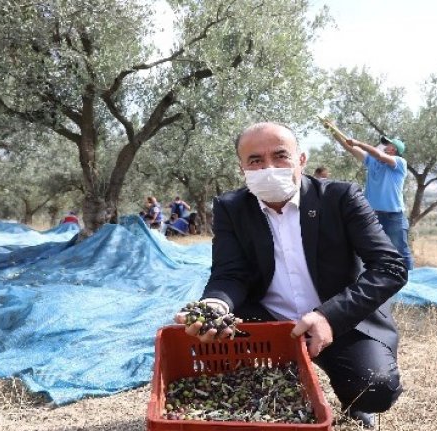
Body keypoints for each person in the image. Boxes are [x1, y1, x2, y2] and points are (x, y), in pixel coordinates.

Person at [173, 122, 408, 429]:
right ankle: (282, 381)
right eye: (255, 160)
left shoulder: (340, 198)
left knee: (374, 388)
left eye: (280, 156)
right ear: (241, 168)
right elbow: (230, 273)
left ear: (301, 159)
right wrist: (215, 305)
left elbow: (390, 267)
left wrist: (328, 316)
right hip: (266, 321)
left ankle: (354, 402)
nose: (268, 167)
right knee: (239, 385)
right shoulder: (232, 208)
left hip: (340, 321)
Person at [337, 135, 414, 270]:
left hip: (394, 216)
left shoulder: (399, 162)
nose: (384, 146)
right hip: (373, 215)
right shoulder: (371, 161)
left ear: (394, 149)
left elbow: (378, 154)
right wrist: (334, 131)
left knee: (401, 250)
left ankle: (409, 283)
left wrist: (358, 142)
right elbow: (350, 148)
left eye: (388, 144)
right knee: (372, 249)